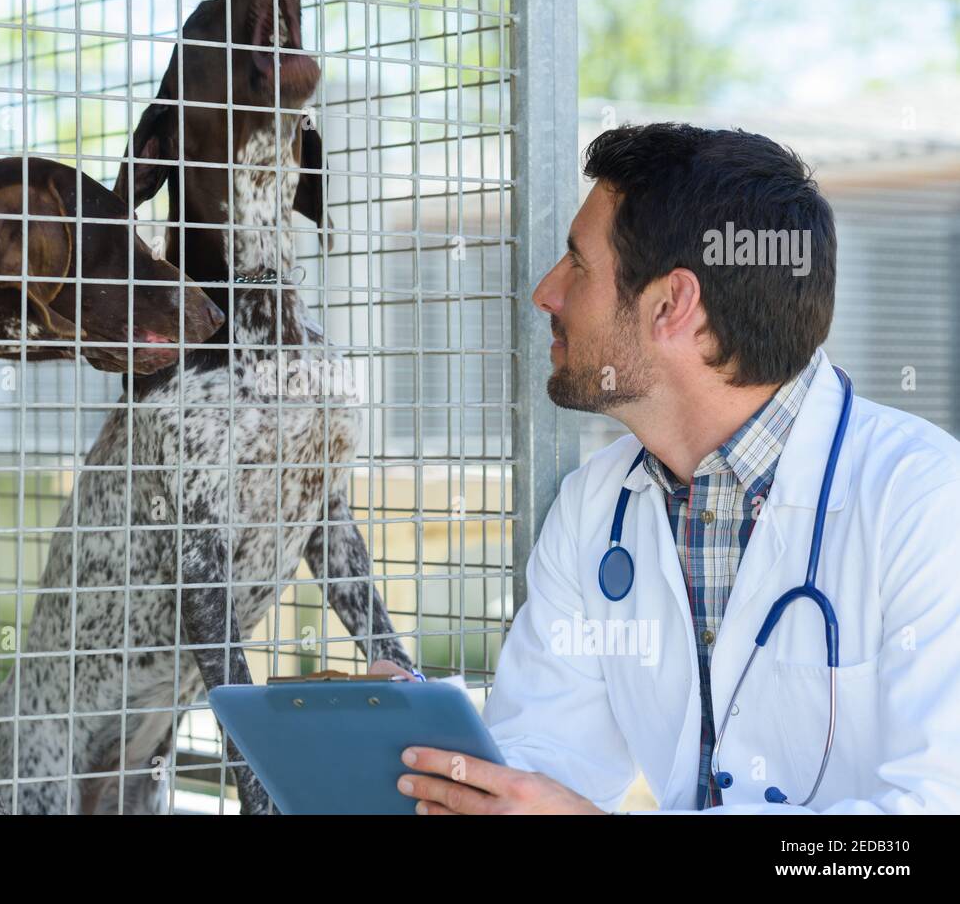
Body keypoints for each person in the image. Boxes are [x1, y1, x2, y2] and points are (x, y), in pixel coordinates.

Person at [374, 123, 960, 813]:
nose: (545, 293)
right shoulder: (596, 503)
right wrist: (451, 760)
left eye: (577, 264)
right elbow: (549, 755)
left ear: (671, 305)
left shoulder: (927, 502)